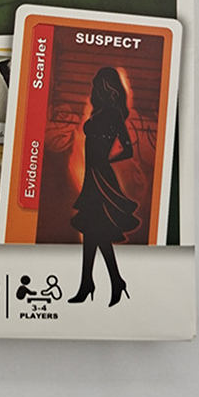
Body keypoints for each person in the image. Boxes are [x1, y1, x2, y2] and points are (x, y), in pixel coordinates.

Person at [68, 67, 139, 307]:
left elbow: (128, 150)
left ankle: (94, 283)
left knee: (94, 230)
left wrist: (105, 161)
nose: (93, 88)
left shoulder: (113, 113)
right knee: (93, 231)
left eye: (97, 83)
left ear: (106, 87)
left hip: (101, 178)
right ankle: (101, 282)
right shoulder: (100, 112)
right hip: (93, 176)